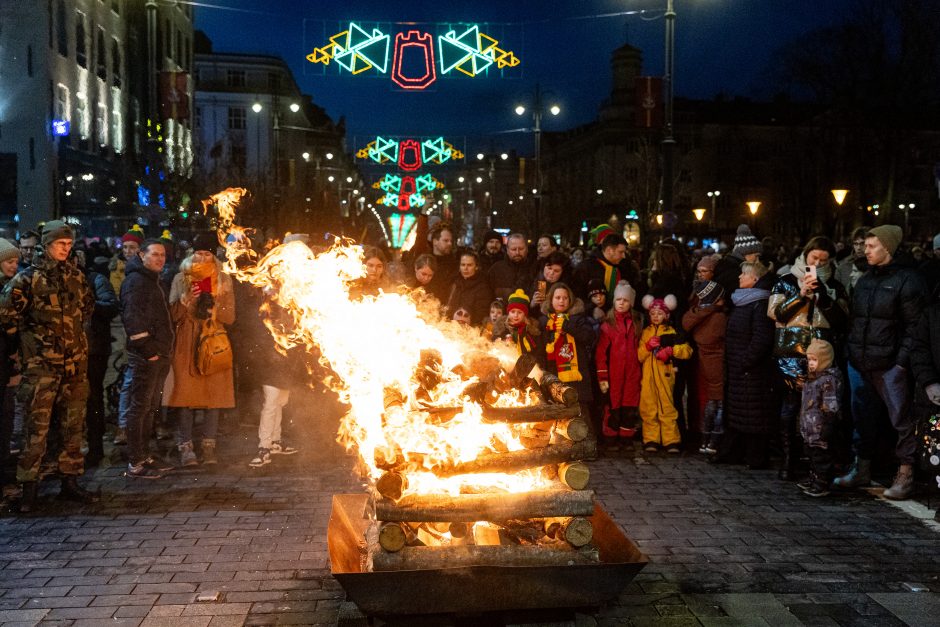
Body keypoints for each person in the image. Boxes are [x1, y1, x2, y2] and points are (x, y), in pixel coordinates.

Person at [0, 220, 97, 512]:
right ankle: (29, 487)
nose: (65, 249)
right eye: (59, 244)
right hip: (41, 367)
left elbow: (87, 309)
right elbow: (7, 317)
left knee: (73, 426)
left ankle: (70, 481)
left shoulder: (76, 278)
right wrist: (28, 348)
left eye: (68, 244)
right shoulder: (27, 280)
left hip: (74, 366)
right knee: (36, 430)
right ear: (47, 245)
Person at [835, 225, 925, 500]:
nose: (866, 250)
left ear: (888, 247)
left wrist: (900, 363)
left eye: (872, 246)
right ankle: (861, 467)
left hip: (888, 364)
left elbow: (915, 327)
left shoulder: (907, 280)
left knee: (901, 420)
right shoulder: (865, 279)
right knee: (862, 418)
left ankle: (906, 475)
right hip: (860, 361)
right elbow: (855, 319)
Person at [768, 236, 848, 480]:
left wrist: (822, 296)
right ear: (806, 254)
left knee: (820, 409)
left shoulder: (833, 284)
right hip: (791, 351)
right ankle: (789, 460)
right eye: (815, 258)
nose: (819, 262)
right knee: (790, 407)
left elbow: (842, 319)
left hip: (821, 353)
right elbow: (775, 313)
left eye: (824, 260)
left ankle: (817, 462)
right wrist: (800, 295)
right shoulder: (785, 281)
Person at [163, 233, 236, 467]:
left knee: (213, 397)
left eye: (207, 254)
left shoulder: (223, 280)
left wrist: (215, 303)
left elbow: (230, 317)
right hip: (186, 342)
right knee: (185, 396)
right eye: (199, 253)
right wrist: (185, 300)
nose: (203, 258)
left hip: (213, 341)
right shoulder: (180, 279)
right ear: (191, 255)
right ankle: (186, 447)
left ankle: (209, 447)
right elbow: (171, 316)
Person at [119, 239, 175, 479]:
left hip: (158, 353)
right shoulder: (136, 282)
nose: (160, 259)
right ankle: (136, 462)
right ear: (142, 255)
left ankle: (144, 455)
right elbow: (132, 319)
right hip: (147, 355)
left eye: (162, 255)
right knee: (140, 407)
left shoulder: (150, 280)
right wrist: (148, 350)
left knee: (150, 407)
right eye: (155, 254)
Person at [717, 261, 777, 469]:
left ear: (755, 279)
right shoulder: (743, 302)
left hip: (750, 371)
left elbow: (762, 338)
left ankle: (754, 456)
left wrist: (745, 361)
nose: (739, 277)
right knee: (742, 413)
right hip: (739, 369)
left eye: (744, 274)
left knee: (753, 414)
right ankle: (739, 452)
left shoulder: (759, 304)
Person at [245, 289, 299, 468]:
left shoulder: (290, 305)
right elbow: (256, 335)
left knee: (280, 402)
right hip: (269, 364)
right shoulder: (262, 308)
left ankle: (275, 441)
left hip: (286, 363)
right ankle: (264, 447)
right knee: (270, 403)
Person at [637, 295, 693, 454]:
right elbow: (639, 356)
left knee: (667, 408)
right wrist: (647, 347)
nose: (655, 316)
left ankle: (671, 440)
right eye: (653, 313)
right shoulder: (645, 332)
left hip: (666, 377)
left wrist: (671, 351)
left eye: (659, 313)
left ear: (667, 315)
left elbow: (687, 351)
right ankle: (651, 439)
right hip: (648, 379)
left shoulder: (673, 332)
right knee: (648, 409)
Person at [537, 283, 596, 422]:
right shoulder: (544, 322)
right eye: (557, 297)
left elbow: (589, 337)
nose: (561, 301)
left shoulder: (578, 319)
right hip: (554, 374)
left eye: (565, 298)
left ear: (570, 301)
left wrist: (567, 327)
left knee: (581, 414)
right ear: (551, 300)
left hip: (577, 376)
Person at [682, 280, 728, 455]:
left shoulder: (695, 315)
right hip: (718, 363)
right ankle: (714, 442)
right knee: (720, 404)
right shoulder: (718, 318)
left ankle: (704, 439)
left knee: (711, 402)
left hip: (704, 364)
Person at [595, 281, 641, 450]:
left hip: (632, 373)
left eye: (626, 300)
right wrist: (602, 376)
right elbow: (601, 354)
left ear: (631, 303)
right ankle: (610, 436)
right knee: (612, 405)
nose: (621, 303)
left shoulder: (637, 323)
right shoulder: (608, 325)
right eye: (618, 299)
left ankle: (626, 438)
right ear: (614, 301)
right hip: (613, 374)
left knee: (629, 405)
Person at [83, 253, 119, 468]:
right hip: (72, 351)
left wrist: (88, 303)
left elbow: (110, 307)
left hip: (94, 349)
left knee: (93, 397)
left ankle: (95, 448)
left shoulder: (95, 280)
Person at [797, 339, 843, 497]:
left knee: (821, 458)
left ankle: (822, 482)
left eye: (815, 360)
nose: (811, 363)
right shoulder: (811, 380)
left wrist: (828, 425)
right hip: (810, 429)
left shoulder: (828, 381)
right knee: (811, 456)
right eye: (809, 359)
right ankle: (814, 478)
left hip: (820, 428)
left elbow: (831, 405)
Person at [0, 239, 20, 483]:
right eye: (8, 261)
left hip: (7, 362)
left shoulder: (11, 287)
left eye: (16, 261)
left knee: (7, 416)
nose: (14, 266)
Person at [576, 233, 641, 305]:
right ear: (609, 250)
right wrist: (592, 309)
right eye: (621, 252)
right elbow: (578, 295)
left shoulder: (625, 266)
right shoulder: (586, 267)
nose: (624, 256)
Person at [445, 251, 493, 326]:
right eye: (463, 265)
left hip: (470, 329)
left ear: (476, 266)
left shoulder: (483, 287)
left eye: (469, 265)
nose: (465, 268)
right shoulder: (453, 283)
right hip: (450, 327)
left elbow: (481, 313)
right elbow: (447, 306)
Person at [713, 224, 761, 297]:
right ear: (745, 253)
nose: (758, 261)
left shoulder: (729, 266)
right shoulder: (734, 273)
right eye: (756, 256)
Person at [488, 233, 536, 302]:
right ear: (507, 250)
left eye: (521, 249)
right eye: (513, 249)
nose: (517, 252)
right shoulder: (496, 269)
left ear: (527, 249)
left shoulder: (534, 268)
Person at [491, 290, 539, 357]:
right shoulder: (501, 329)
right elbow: (494, 349)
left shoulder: (532, 331)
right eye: (513, 312)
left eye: (519, 312)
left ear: (525, 314)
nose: (516, 315)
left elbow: (538, 354)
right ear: (509, 313)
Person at [424, 223, 458, 303]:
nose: (449, 243)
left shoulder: (455, 265)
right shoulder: (425, 262)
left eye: (451, 241)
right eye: (446, 240)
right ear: (435, 242)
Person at [109, 225, 145, 295]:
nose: (127, 251)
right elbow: (117, 293)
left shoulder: (148, 265)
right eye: (125, 247)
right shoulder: (116, 267)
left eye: (132, 247)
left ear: (140, 249)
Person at [834, 227, 868, 297]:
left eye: (862, 243)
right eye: (856, 244)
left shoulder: (878, 264)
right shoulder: (843, 266)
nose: (858, 248)